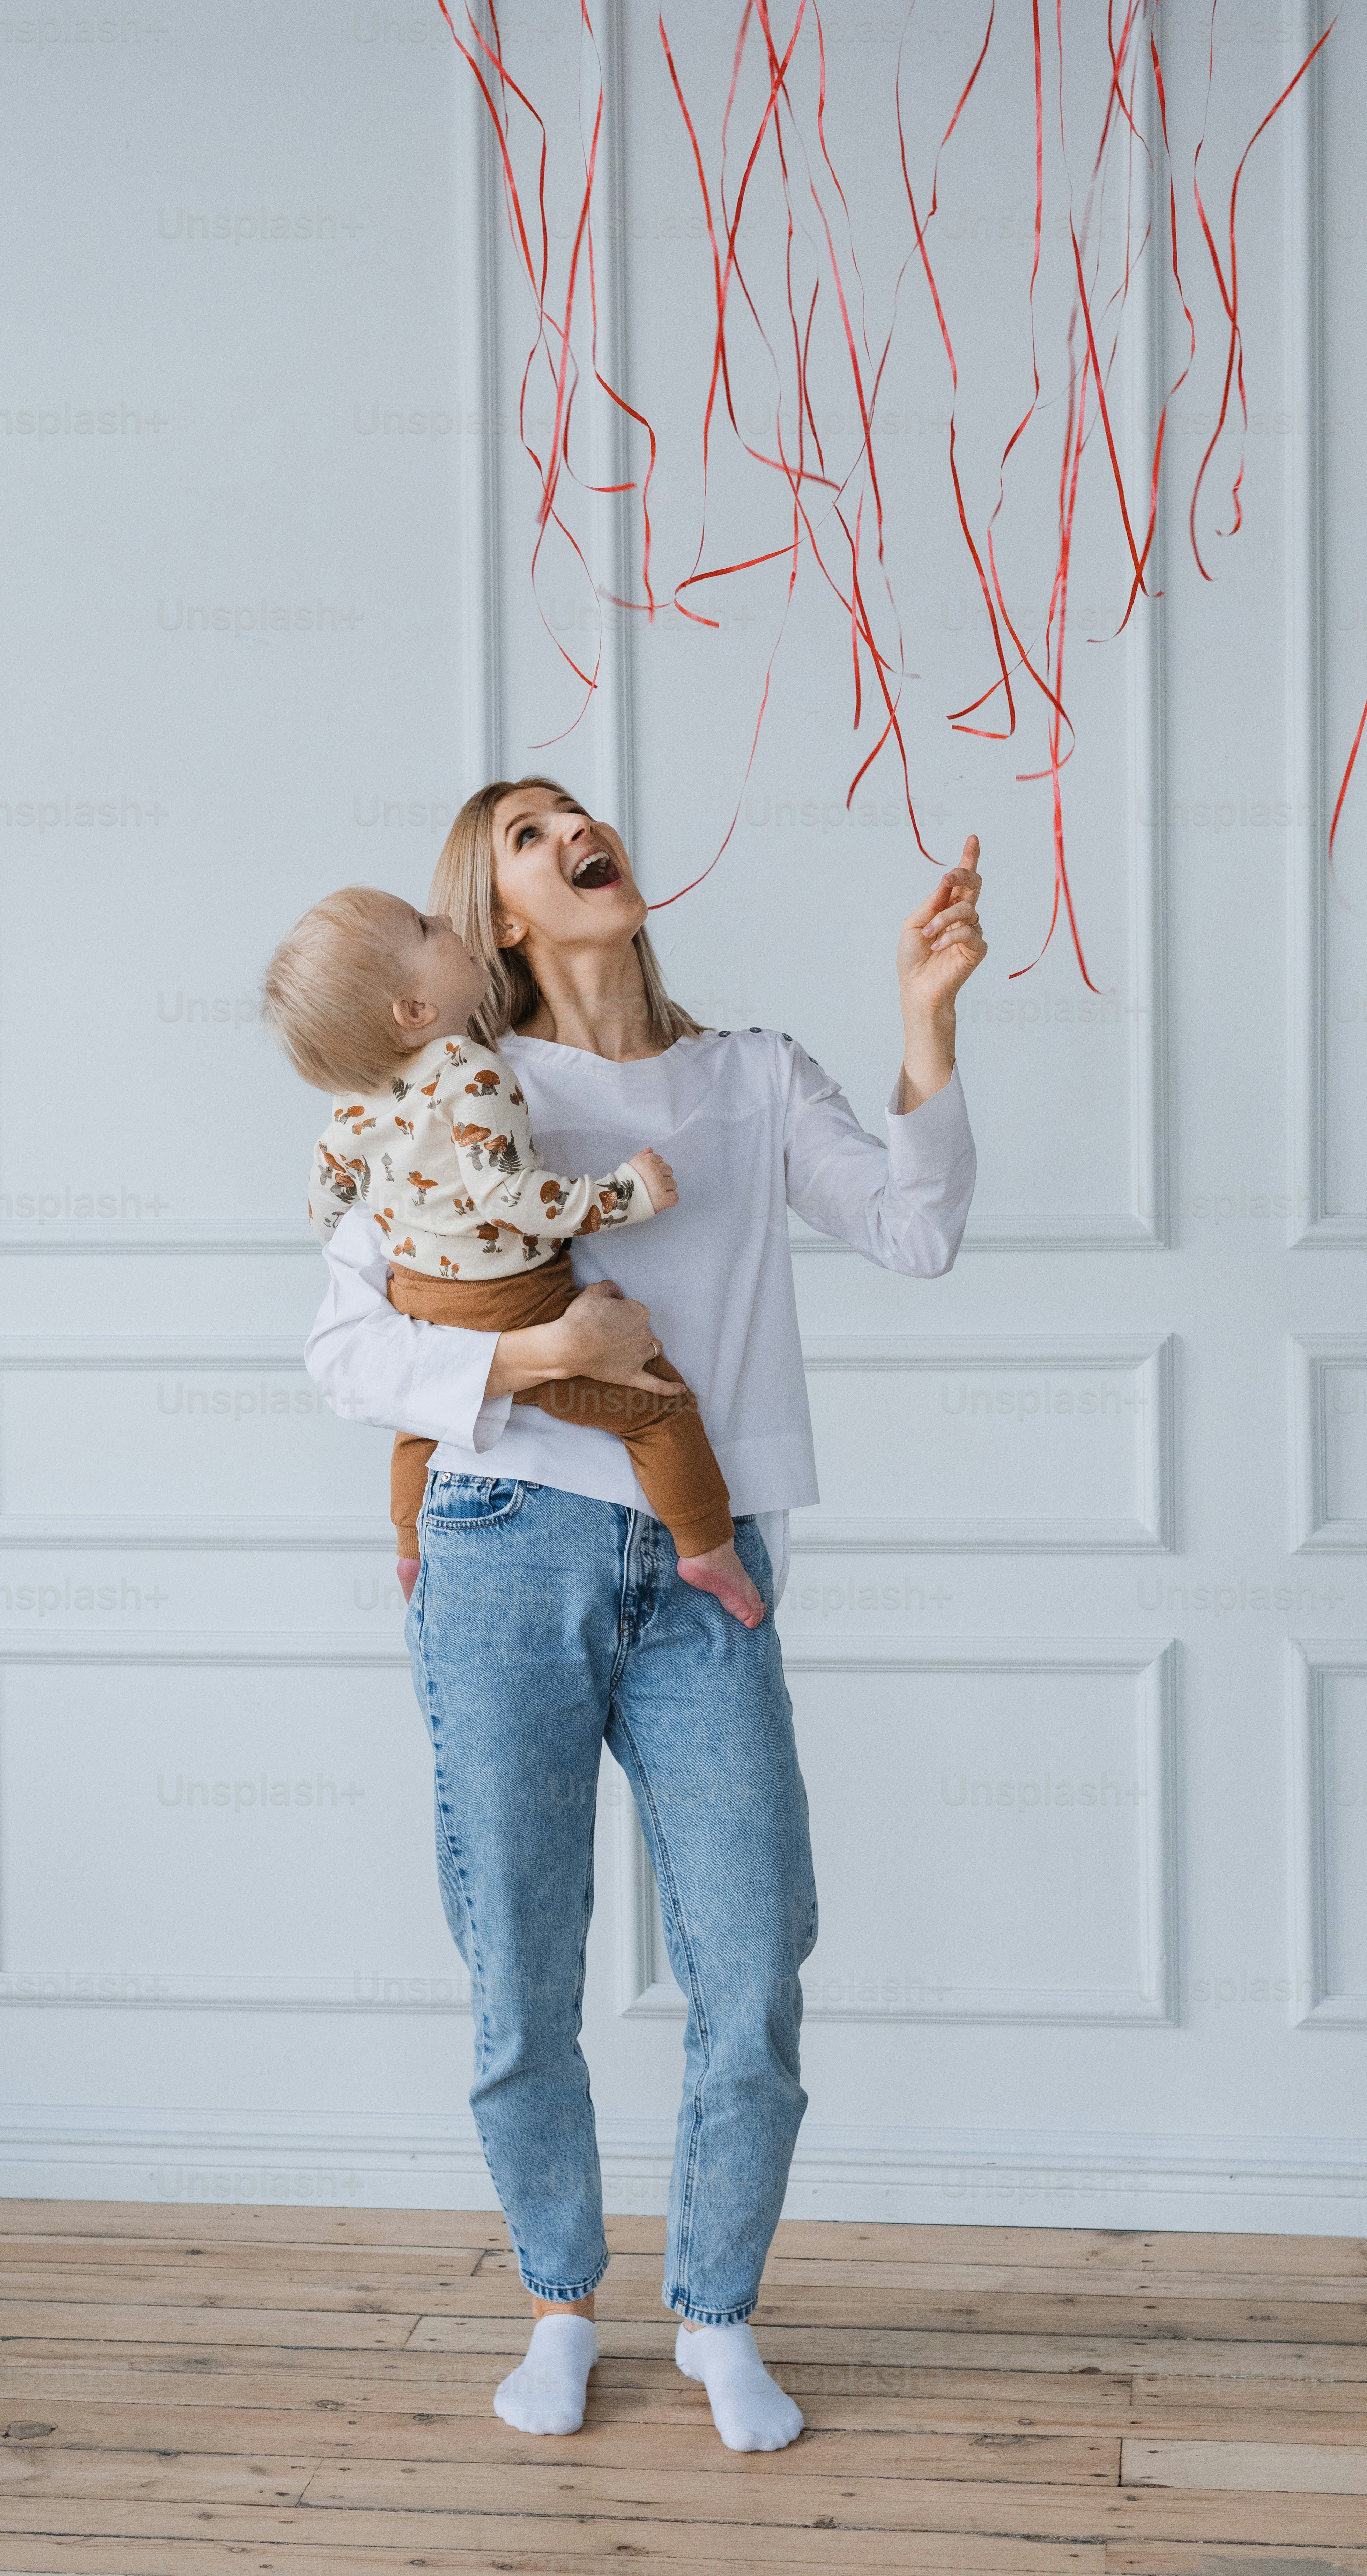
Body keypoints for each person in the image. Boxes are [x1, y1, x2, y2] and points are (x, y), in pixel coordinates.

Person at [304, 778, 985, 2451]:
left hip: (706, 1569)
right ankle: (557, 2302)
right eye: (527, 835)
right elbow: (344, 1347)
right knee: (520, 1968)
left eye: (575, 814)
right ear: (498, 913)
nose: (571, 833)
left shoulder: (748, 1076)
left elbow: (917, 1232)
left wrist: (923, 1024)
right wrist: (539, 1359)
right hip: (501, 1543)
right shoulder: (457, 1083)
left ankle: (718, 2312)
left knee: (751, 1958)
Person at [263, 883, 764, 1627]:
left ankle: (411, 1547)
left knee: (423, 1422)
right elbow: (513, 1198)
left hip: (419, 1295)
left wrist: (408, 1230)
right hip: (515, 1297)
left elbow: (325, 1210)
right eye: (426, 927)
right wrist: (627, 1193)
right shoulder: (472, 1072)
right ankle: (706, 1546)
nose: (447, 924)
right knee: (658, 1411)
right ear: (415, 1010)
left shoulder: (352, 1105)